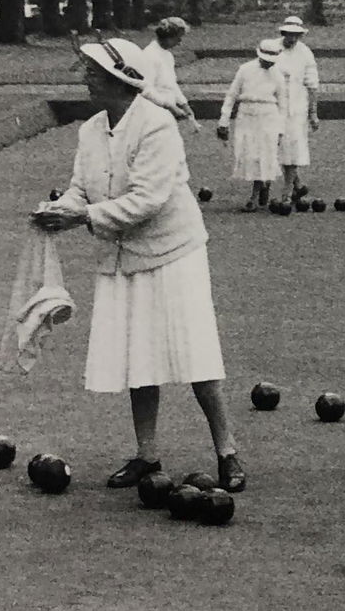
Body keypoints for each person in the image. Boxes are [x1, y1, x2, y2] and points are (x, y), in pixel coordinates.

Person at [31, 37, 244, 491]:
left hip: (174, 252)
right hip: (123, 256)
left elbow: (148, 199)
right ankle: (147, 456)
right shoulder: (91, 130)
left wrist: (81, 217)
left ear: (120, 81)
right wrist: (58, 210)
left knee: (196, 355)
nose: (86, 79)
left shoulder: (157, 126)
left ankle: (227, 451)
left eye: (94, 73)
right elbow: (81, 189)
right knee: (138, 356)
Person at [216, 38, 285, 212]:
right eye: (266, 60)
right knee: (250, 154)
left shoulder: (278, 74)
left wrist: (281, 129)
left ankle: (254, 197)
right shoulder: (245, 69)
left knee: (264, 154)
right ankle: (263, 184)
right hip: (246, 115)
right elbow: (231, 95)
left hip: (268, 116)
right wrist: (224, 120)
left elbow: (283, 104)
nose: (269, 64)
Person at [273, 15, 320, 202]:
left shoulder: (305, 53)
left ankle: (287, 192)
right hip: (274, 105)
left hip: (297, 107)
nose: (292, 38)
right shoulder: (272, 48)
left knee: (292, 148)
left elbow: (312, 84)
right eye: (289, 34)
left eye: (296, 35)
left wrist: (313, 113)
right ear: (283, 32)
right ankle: (298, 185)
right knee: (279, 148)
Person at [141, 16, 200, 133]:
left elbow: (171, 84)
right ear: (168, 36)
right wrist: (169, 106)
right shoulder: (149, 55)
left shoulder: (168, 56)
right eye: (178, 38)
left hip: (168, 114)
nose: (179, 42)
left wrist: (184, 105)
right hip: (153, 112)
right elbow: (146, 90)